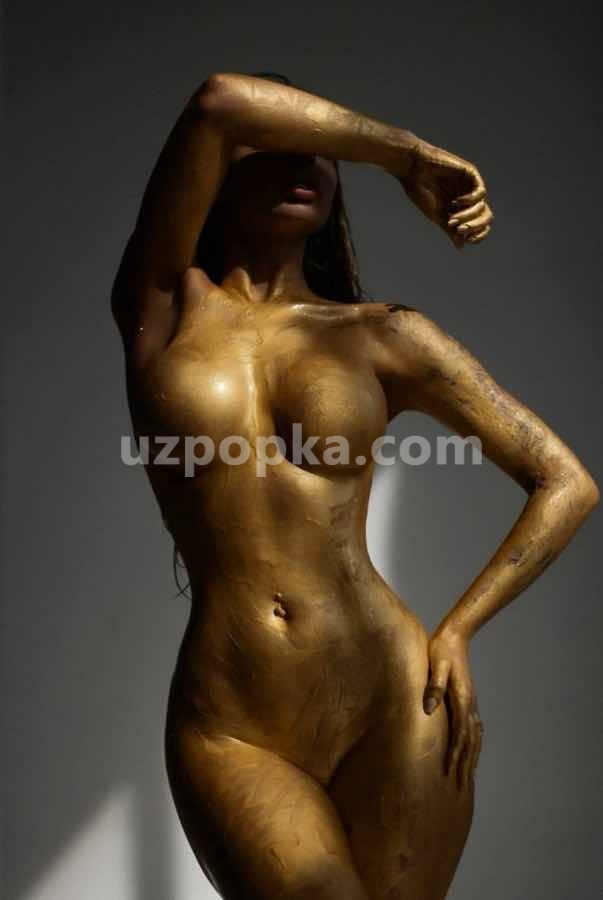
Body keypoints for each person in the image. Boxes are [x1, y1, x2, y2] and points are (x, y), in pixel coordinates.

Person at [111, 71, 599, 900]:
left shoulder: (381, 337)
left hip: (394, 699)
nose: (303, 164)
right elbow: (219, 102)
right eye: (277, 147)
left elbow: (565, 481)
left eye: (319, 155)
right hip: (235, 721)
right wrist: (406, 155)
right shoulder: (160, 309)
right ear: (220, 172)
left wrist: (457, 631)